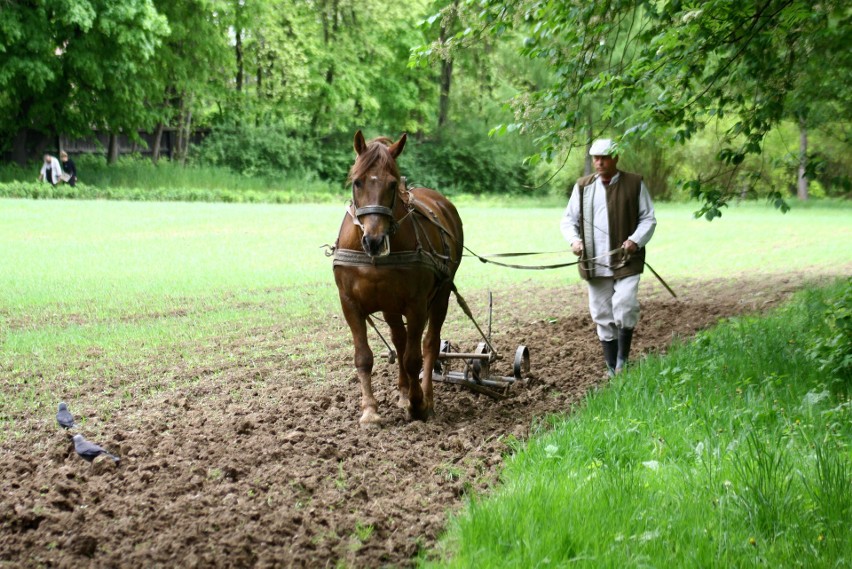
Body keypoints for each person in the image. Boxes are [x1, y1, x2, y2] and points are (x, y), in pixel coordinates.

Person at [560, 138, 657, 376]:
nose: (599, 162)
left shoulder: (634, 183)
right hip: (594, 261)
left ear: (615, 158)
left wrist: (636, 240)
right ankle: (611, 368)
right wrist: (575, 241)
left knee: (624, 305)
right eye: (596, 158)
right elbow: (568, 220)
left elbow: (648, 218)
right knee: (602, 314)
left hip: (627, 260)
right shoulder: (583, 186)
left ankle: (623, 360)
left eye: (604, 157)